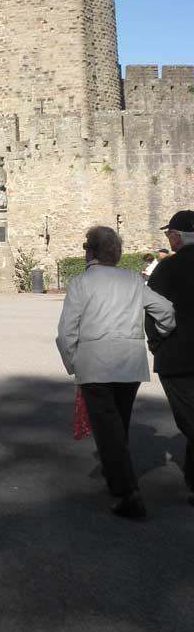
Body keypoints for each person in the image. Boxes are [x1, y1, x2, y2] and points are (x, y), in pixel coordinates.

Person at [56, 225, 175, 519]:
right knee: (118, 423)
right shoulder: (133, 279)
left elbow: (66, 331)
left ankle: (127, 491)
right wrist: (161, 333)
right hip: (129, 360)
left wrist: (73, 363)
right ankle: (117, 478)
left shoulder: (81, 282)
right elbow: (166, 311)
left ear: (91, 251)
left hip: (94, 361)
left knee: (107, 428)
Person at [146, 210, 194, 507]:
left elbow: (154, 309)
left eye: (169, 235)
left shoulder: (167, 268)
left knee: (190, 420)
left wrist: (155, 340)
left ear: (176, 237)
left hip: (178, 357)